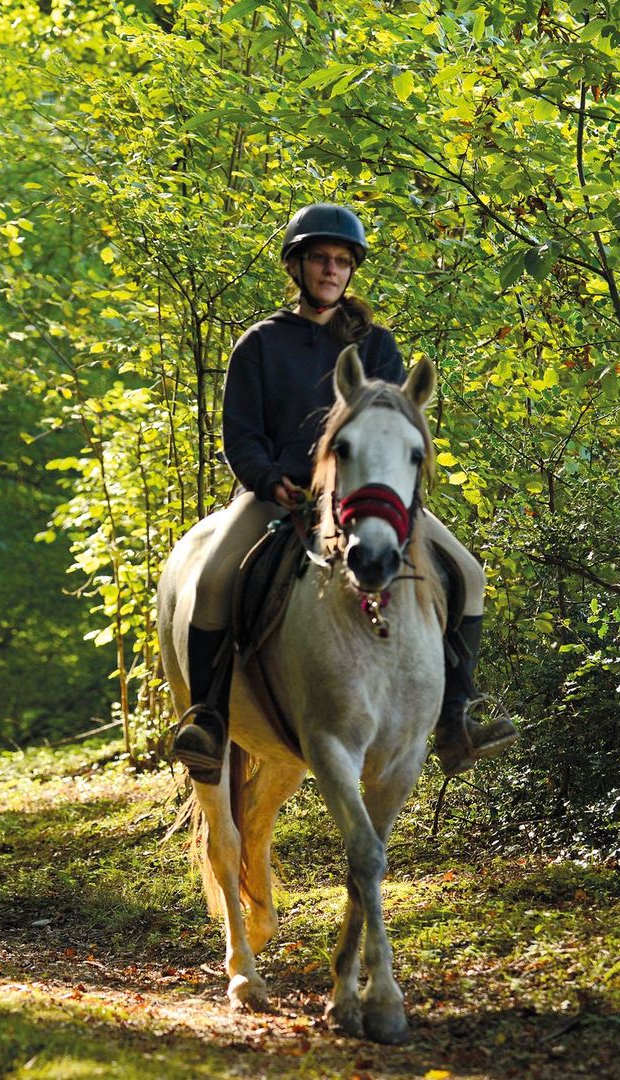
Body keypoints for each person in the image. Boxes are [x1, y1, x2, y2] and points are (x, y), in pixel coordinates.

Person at [171, 203, 517, 783]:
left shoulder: (376, 346)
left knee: (469, 574)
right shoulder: (260, 344)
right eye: (320, 259)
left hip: (365, 499)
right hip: (279, 496)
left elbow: (395, 425)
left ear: (351, 270)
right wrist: (268, 479)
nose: (331, 270)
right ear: (297, 266)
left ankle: (457, 716)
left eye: (340, 261)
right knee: (211, 580)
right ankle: (207, 718)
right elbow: (241, 434)